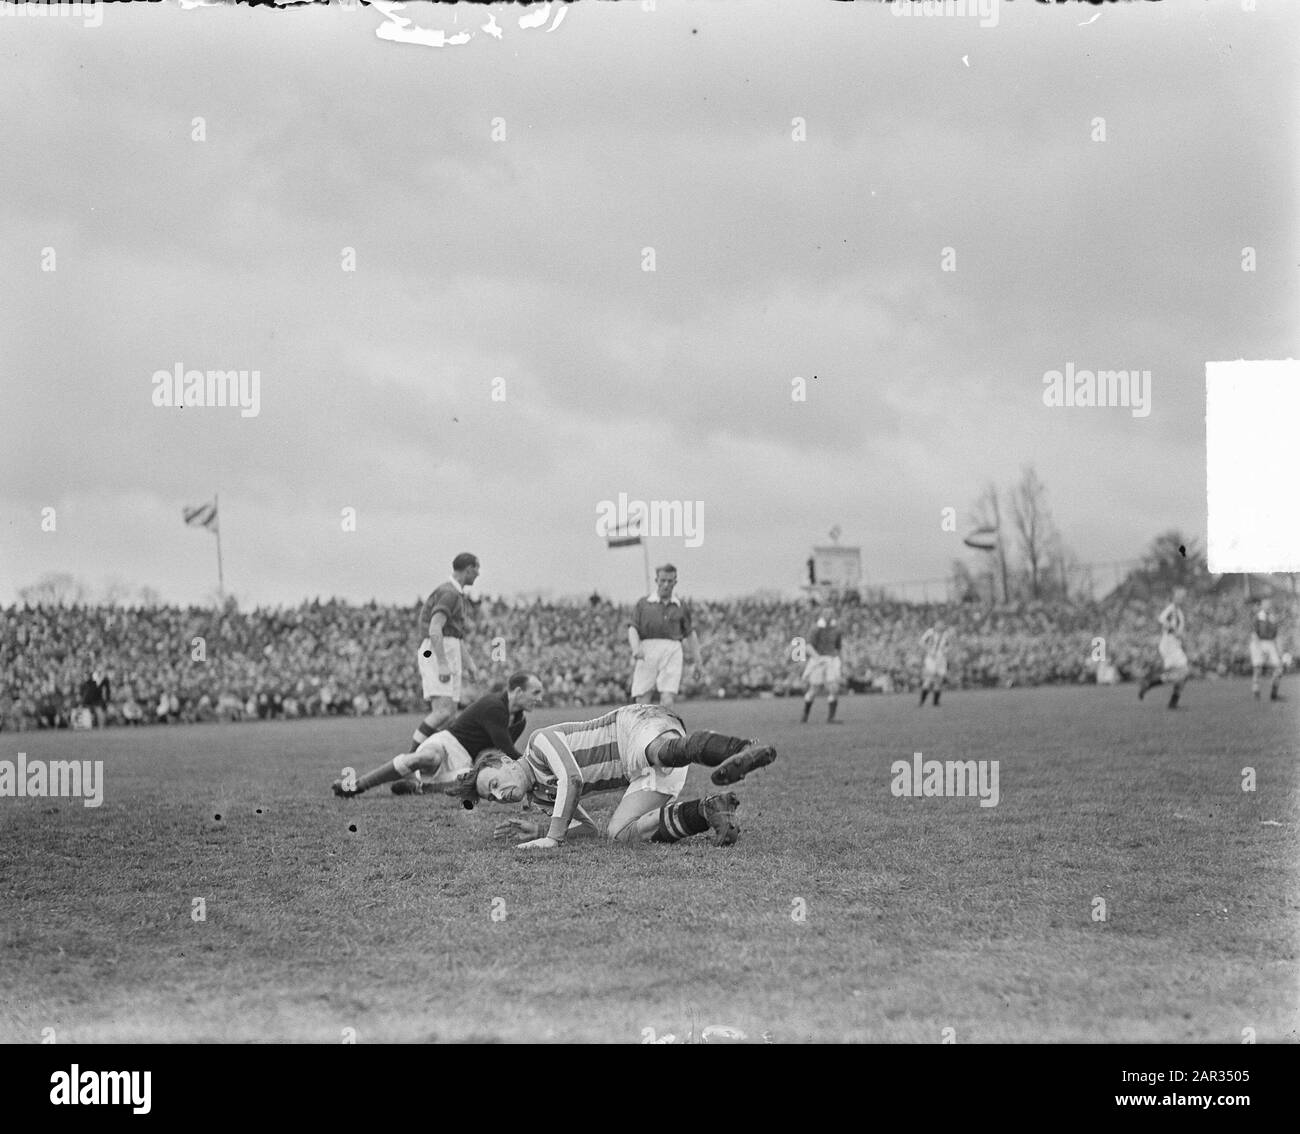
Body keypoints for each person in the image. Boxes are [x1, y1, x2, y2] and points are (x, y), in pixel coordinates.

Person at [449, 703, 777, 849]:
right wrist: (540, 828)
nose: (500, 795)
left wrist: (553, 837)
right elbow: (589, 829)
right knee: (620, 833)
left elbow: (572, 780)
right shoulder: (540, 795)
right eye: (492, 797)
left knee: (654, 751)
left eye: (494, 784)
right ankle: (710, 810)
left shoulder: (539, 744)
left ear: (506, 762)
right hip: (638, 772)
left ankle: (736, 749)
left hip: (632, 728)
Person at [333, 672, 544, 798]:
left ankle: (418, 786)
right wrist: (535, 768)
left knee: (469, 782)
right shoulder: (495, 706)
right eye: (535, 692)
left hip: (466, 762)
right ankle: (357, 785)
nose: (540, 698)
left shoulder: (520, 720)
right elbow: (506, 749)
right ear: (517, 691)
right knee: (427, 758)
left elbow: (498, 755)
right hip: (447, 744)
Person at [395, 552, 483, 789]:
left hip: (447, 648)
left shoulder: (456, 594)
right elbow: (436, 629)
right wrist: (443, 663)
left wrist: (469, 664)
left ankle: (438, 766)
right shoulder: (449, 593)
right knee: (443, 711)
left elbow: (456, 636)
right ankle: (408, 763)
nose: (478, 573)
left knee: (450, 712)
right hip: (437, 650)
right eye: (477, 569)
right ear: (467, 569)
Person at [628, 565, 702, 707]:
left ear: (675, 582)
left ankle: (664, 728)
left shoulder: (680, 606)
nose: (666, 585)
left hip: (672, 649)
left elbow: (690, 634)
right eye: (663, 580)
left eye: (670, 581)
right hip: (647, 650)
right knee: (642, 699)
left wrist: (698, 661)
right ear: (656, 580)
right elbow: (632, 628)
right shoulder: (644, 604)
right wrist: (636, 647)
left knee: (667, 698)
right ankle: (642, 728)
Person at [1139, 587, 1189, 708]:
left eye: (1183, 596)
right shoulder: (1171, 609)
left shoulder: (1179, 613)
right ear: (1174, 597)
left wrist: (1181, 638)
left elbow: (1179, 631)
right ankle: (1151, 683)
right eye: (1179, 596)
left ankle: (1172, 700)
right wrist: (1174, 630)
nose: (1181, 599)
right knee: (1183, 672)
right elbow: (1161, 620)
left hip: (1174, 646)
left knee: (1183, 675)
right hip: (1169, 646)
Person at [801, 604, 844, 723]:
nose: (828, 615)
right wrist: (817, 658)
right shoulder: (815, 629)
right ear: (822, 615)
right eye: (826, 613)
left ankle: (831, 717)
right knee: (814, 689)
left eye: (830, 613)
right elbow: (808, 646)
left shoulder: (837, 629)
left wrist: (840, 663)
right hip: (818, 661)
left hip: (831, 660)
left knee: (834, 688)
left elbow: (838, 648)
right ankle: (805, 715)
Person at [1249, 597, 1284, 702]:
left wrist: (1280, 649)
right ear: (1262, 605)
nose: (1268, 605)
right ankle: (1256, 689)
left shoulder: (1273, 618)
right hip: (1258, 642)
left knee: (1279, 667)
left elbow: (1276, 635)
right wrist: (1260, 649)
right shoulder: (1258, 617)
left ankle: (1274, 690)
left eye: (1269, 603)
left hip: (1270, 643)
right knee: (1258, 667)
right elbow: (1254, 634)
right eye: (1265, 603)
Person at [919, 620, 951, 707]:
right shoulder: (930, 632)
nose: (940, 627)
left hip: (941, 659)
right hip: (931, 659)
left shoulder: (946, 634)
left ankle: (935, 702)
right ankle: (922, 701)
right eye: (938, 625)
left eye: (942, 625)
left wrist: (946, 651)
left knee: (939, 680)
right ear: (935, 625)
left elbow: (949, 646)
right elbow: (921, 642)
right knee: (929, 678)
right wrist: (929, 651)